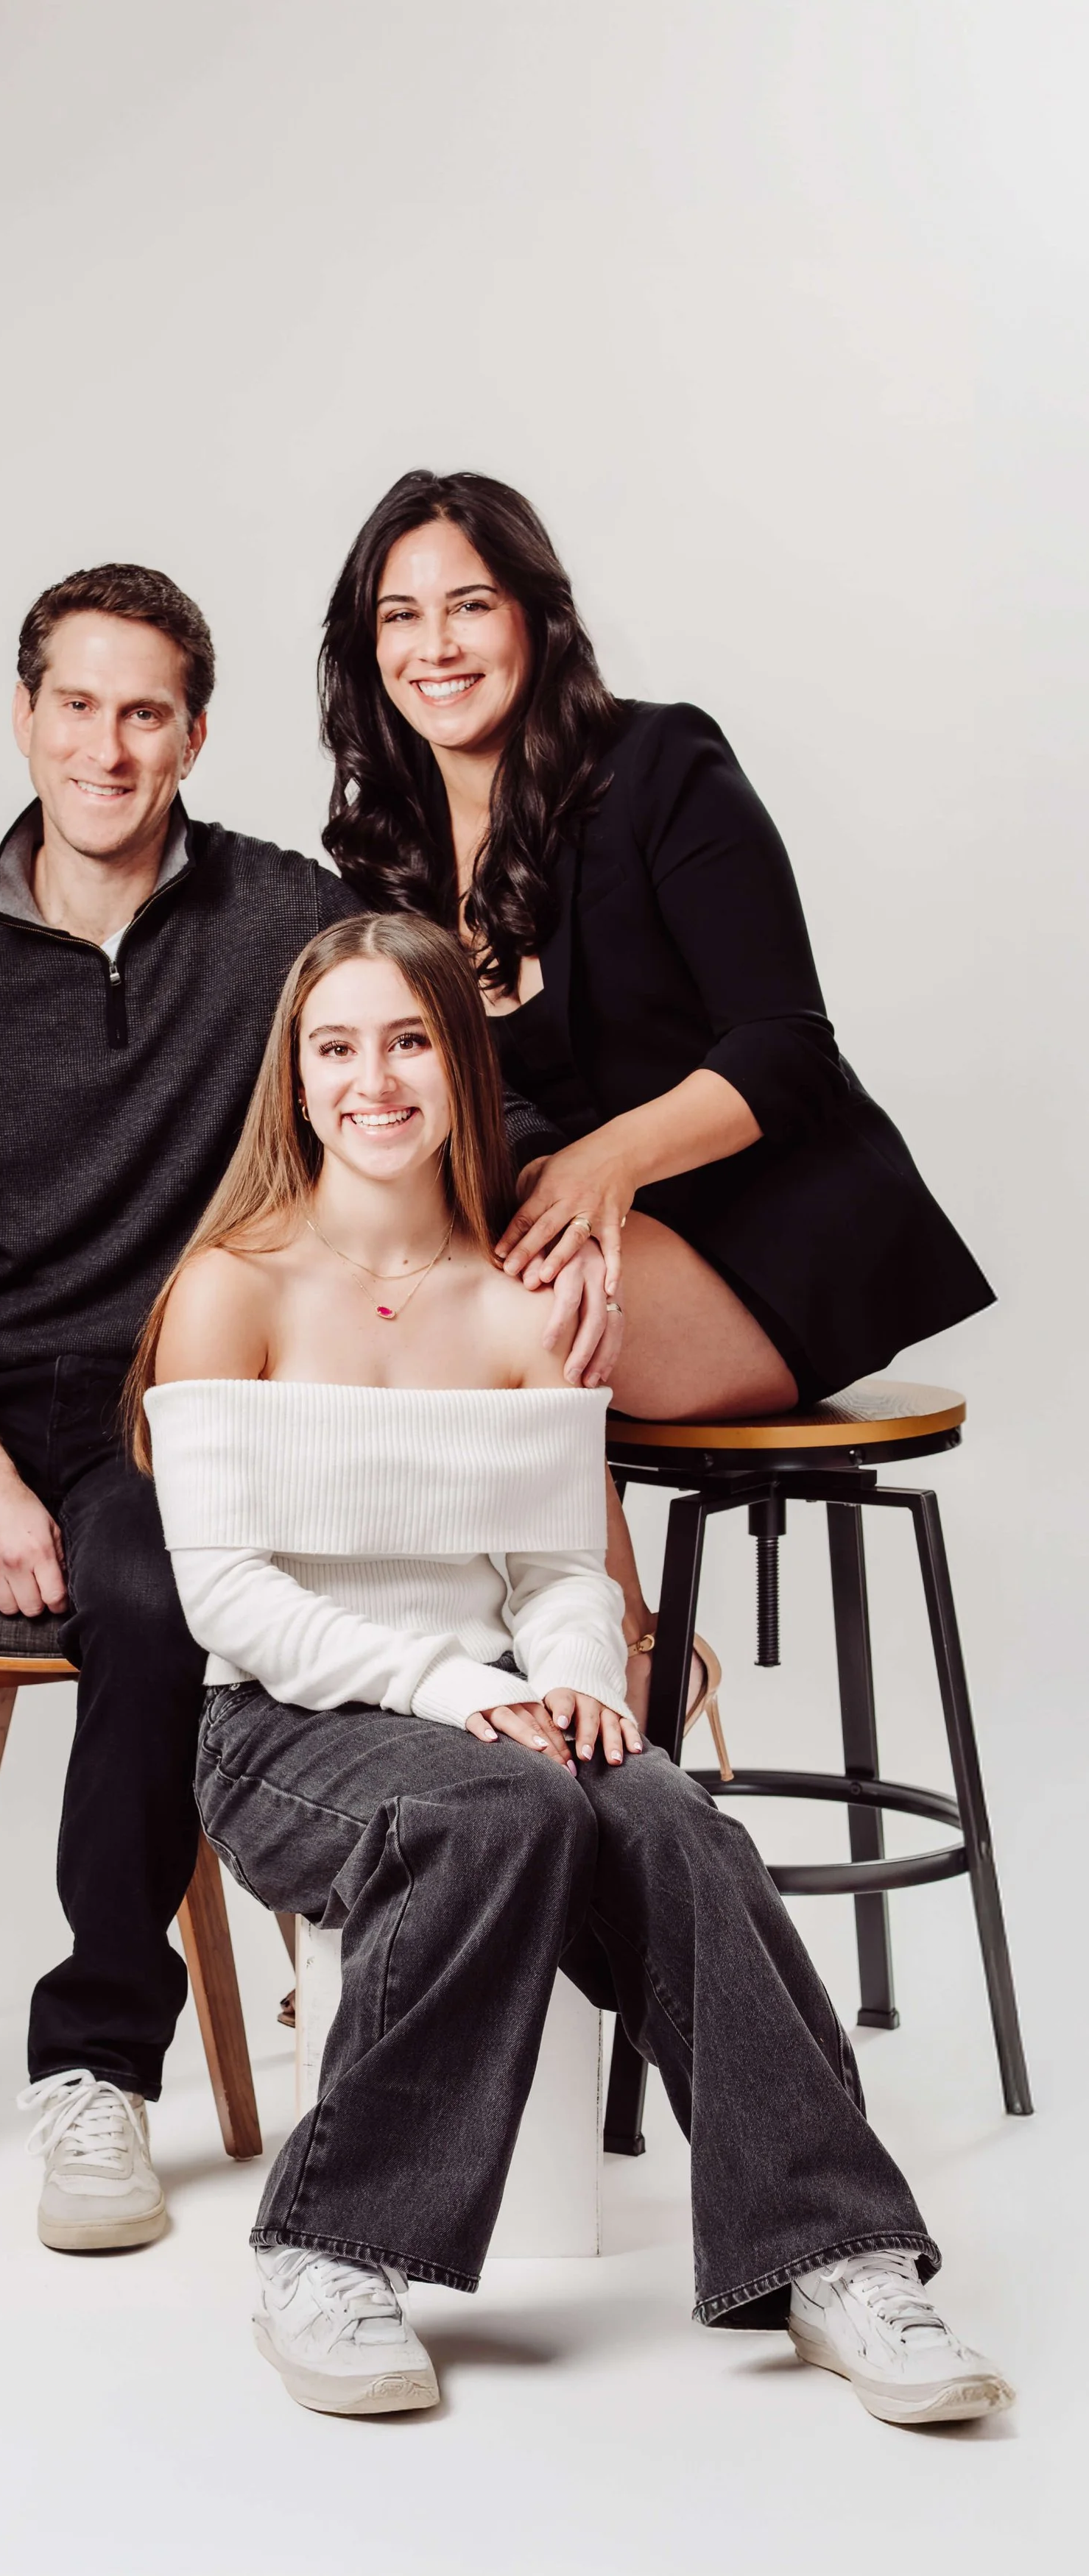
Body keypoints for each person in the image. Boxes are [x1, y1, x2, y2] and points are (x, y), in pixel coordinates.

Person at [0, 562, 599, 2245]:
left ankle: (100, 2066)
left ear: (194, 734)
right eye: (74, 705)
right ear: (25, 714)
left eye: (143, 714)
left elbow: (433, 1070)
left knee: (146, 1590)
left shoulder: (278, 920)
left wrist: (578, 1213)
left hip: (172, 1399)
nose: (104, 748)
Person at [135, 910, 1012, 2426]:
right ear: (291, 1077)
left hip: (492, 1702)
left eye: (407, 1040)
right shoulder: (235, 1285)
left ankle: (836, 2255)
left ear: (460, 1067)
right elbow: (225, 1595)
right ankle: (329, 2250)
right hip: (288, 1724)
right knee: (498, 1811)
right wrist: (474, 1695)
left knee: (667, 1814)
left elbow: (547, 1568)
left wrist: (578, 1680)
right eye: (333, 1047)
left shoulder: (522, 1294)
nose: (372, 1080)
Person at [317, 470, 993, 1733]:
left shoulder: (660, 762)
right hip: (584, 1257)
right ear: (365, 652)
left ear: (535, 617)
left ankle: (627, 1666)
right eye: (400, 617)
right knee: (400, 1295)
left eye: (470, 605)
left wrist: (600, 1165)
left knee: (493, 1304)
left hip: (780, 1235)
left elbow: (786, 1046)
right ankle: (524, 1687)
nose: (436, 646)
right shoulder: (380, 857)